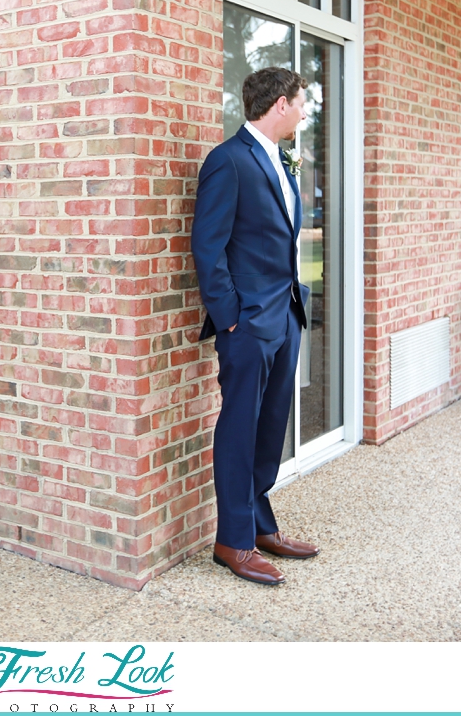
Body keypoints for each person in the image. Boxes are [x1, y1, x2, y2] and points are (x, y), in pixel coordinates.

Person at [190, 67, 321, 585]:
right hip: (246, 325)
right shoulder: (228, 161)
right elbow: (208, 246)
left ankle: (262, 524)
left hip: (285, 315)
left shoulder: (280, 160)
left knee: (270, 428)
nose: (305, 111)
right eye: (301, 102)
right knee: (240, 430)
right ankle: (233, 541)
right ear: (280, 105)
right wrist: (230, 321)